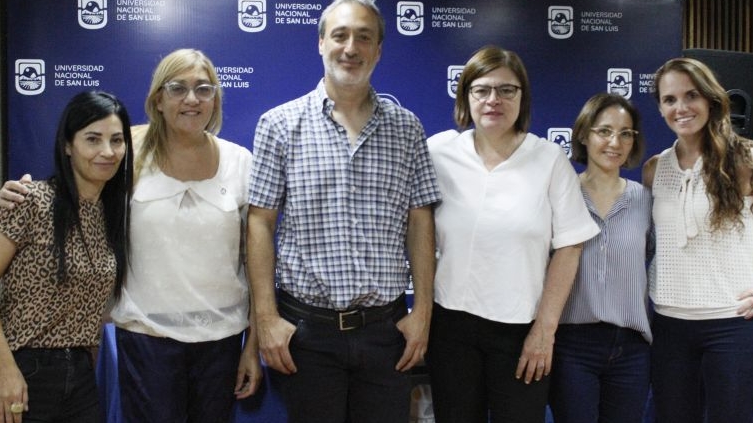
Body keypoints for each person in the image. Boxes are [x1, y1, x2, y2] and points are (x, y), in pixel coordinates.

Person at [0, 49, 262, 423]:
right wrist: (13, 195)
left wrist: (253, 343)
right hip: (144, 341)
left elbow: (254, 258)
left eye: (204, 89)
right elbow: (71, 189)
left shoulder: (240, 162)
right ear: (158, 99)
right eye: (178, 88)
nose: (192, 99)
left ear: (216, 98)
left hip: (220, 341)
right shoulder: (128, 153)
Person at [245, 0, 440, 422]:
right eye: (340, 35)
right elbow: (260, 222)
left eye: (364, 37)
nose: (351, 48)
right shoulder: (279, 125)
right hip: (306, 334)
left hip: (387, 332)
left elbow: (420, 221)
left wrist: (422, 311)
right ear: (321, 43)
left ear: (378, 50)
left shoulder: (407, 128)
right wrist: (266, 318)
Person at [425, 45, 600, 423]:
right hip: (450, 327)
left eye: (507, 90)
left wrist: (544, 331)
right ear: (465, 96)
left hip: (522, 331)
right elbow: (416, 233)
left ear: (523, 97)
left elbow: (570, 247)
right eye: (482, 90)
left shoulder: (549, 159)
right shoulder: (438, 152)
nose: (494, 100)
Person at [643, 57, 753, 423]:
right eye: (669, 99)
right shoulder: (654, 169)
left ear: (711, 99)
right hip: (669, 330)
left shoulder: (747, 161)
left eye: (691, 95)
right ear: (660, 108)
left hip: (736, 330)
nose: (680, 107)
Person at [0, 90, 133, 423]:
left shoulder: (111, 215)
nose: (107, 151)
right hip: (23, 367)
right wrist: (5, 371)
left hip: (82, 374)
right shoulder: (30, 201)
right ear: (68, 145)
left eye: (117, 140)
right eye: (93, 139)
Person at [547, 93, 652, 423]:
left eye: (625, 133)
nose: (614, 142)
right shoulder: (561, 195)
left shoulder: (646, 200)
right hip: (572, 346)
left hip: (632, 350)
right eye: (604, 131)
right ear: (583, 134)